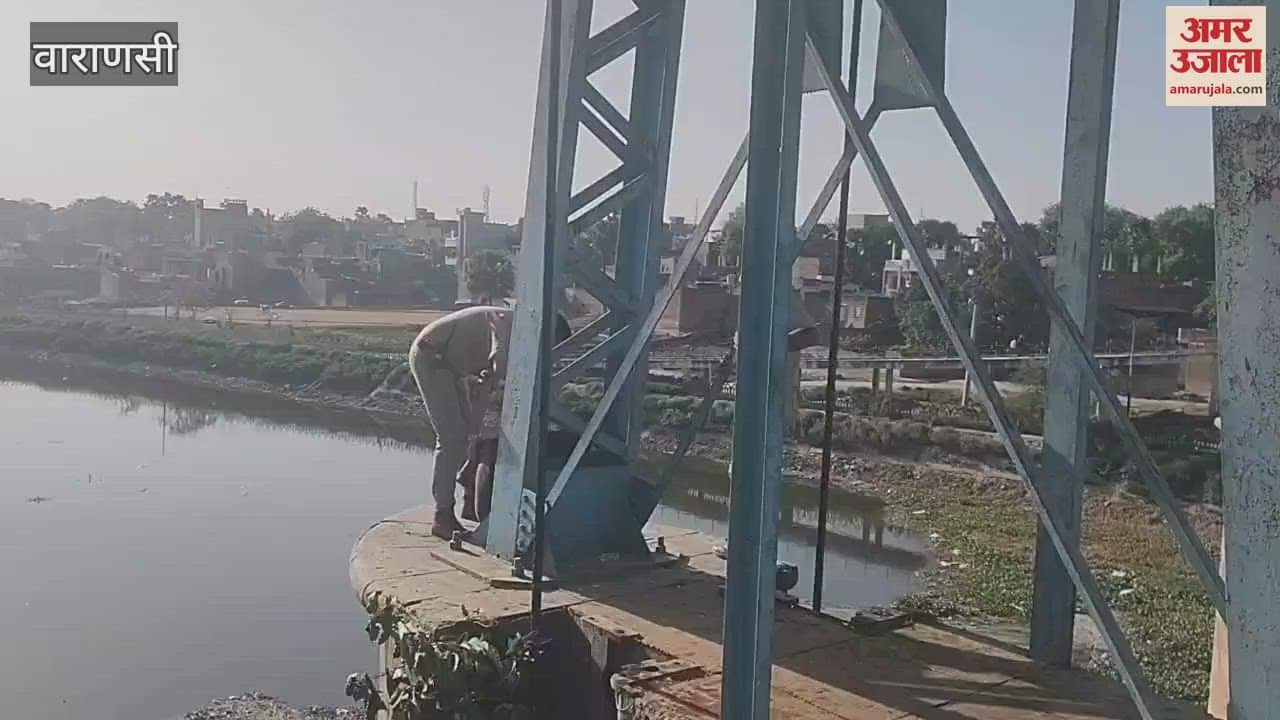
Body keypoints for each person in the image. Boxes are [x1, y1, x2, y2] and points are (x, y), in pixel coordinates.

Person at [409, 307, 572, 539]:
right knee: (450, 439)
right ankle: (442, 516)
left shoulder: (518, 330)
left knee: (465, 434)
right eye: (551, 345)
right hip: (431, 356)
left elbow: (489, 382)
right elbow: (501, 367)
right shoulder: (507, 324)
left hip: (451, 365)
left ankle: (465, 482)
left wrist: (476, 432)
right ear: (546, 331)